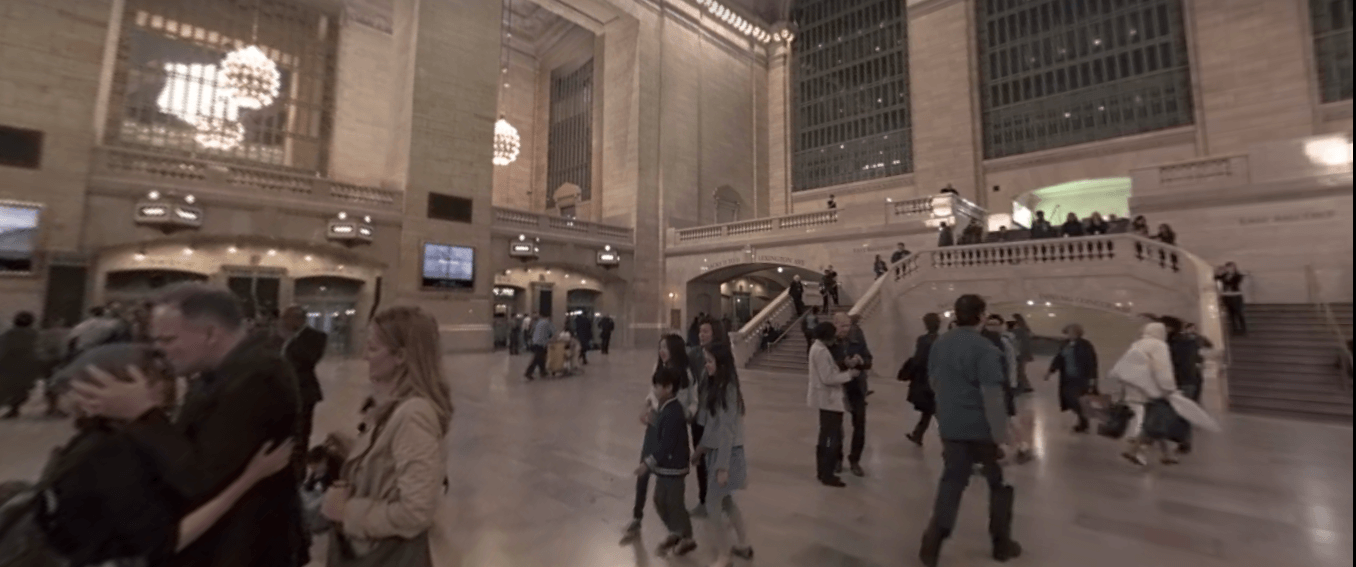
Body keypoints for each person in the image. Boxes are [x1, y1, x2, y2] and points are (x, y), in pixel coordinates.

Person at [70, 283, 309, 567]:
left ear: (210, 333)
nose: (160, 351)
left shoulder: (258, 377)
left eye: (168, 340)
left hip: (242, 548)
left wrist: (144, 413)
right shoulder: (216, 372)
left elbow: (200, 479)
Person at [35, 344, 294, 567]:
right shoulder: (109, 452)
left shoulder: (98, 438)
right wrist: (249, 478)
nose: (168, 384)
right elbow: (165, 542)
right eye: (155, 377)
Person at [318, 306, 453, 565]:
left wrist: (346, 511)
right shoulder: (390, 406)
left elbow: (415, 512)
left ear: (401, 356)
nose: (365, 357)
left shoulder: (414, 415)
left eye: (372, 349)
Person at [918, 295, 1021, 567]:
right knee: (999, 484)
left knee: (951, 483)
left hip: (951, 426)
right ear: (982, 316)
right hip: (983, 430)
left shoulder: (941, 344)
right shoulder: (986, 350)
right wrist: (1004, 438)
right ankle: (1002, 544)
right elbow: (993, 397)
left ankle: (931, 544)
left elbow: (933, 381)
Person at [623, 334, 694, 543]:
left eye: (666, 347)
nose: (662, 351)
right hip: (654, 424)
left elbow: (693, 402)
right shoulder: (658, 369)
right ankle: (637, 517)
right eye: (660, 347)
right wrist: (646, 408)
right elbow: (651, 394)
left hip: (672, 425)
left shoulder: (686, 373)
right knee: (643, 472)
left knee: (666, 483)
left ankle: (681, 532)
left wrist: (684, 414)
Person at [693, 342, 752, 566]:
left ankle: (724, 555)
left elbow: (726, 430)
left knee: (712, 504)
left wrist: (722, 466)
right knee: (726, 501)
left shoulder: (727, 388)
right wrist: (700, 451)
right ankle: (743, 544)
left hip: (726, 454)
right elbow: (711, 426)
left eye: (709, 361)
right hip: (717, 453)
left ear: (722, 364)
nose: (706, 365)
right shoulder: (715, 384)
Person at [633, 366, 698, 557]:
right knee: (659, 500)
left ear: (669, 388)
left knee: (675, 504)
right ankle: (676, 531)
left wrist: (647, 464)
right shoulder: (664, 407)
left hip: (674, 467)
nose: (654, 390)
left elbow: (666, 445)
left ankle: (687, 537)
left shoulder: (674, 411)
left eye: (657, 386)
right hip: (664, 467)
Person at [1109, 322, 1180, 468]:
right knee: (1155, 420)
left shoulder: (1138, 344)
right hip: (1155, 390)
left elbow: (1123, 367)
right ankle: (1133, 450)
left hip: (1137, 389)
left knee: (1155, 419)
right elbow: (1163, 369)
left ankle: (1167, 455)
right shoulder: (1159, 346)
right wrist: (1169, 388)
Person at [686, 318, 728, 518]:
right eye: (700, 331)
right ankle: (704, 500)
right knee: (701, 461)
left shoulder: (721, 355)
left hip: (714, 415)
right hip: (698, 415)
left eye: (706, 331)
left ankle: (719, 501)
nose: (702, 335)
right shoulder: (694, 354)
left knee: (714, 460)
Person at [808, 322, 856, 487]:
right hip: (828, 400)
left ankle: (823, 471)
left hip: (827, 399)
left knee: (826, 437)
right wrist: (849, 374)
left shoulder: (819, 348)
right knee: (831, 438)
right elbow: (827, 378)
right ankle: (827, 474)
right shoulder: (820, 351)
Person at [281, 305, 328, 473]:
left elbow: (309, 359)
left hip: (304, 393)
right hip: (283, 393)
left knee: (301, 435)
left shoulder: (317, 337)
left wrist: (291, 340)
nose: (283, 322)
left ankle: (298, 471)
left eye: (287, 318)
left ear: (299, 319)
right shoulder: (280, 337)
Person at [981, 315, 1033, 464]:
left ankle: (1022, 447)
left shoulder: (1004, 341)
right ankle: (1009, 447)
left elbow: (1011, 363)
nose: (992, 327)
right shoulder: (988, 340)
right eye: (989, 324)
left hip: (1004, 387)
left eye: (995, 324)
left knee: (1008, 419)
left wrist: (1011, 385)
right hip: (995, 387)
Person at [832, 313, 873, 477]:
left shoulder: (857, 335)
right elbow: (826, 364)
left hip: (857, 386)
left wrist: (861, 361)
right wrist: (844, 363)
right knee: (836, 427)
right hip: (837, 387)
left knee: (860, 425)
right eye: (841, 326)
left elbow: (869, 359)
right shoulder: (829, 340)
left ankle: (855, 460)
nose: (845, 330)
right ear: (834, 324)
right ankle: (837, 459)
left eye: (847, 326)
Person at [1160, 316, 1202, 455]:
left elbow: (1180, 364)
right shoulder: (1181, 341)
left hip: (1182, 382)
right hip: (1186, 381)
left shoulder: (1179, 343)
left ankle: (1183, 442)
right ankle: (1182, 441)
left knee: (1182, 413)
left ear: (1170, 328)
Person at [1046, 323, 1099, 433]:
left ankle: (1083, 422)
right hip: (1067, 377)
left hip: (1081, 378)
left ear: (1076, 333)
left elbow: (1091, 363)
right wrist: (1050, 371)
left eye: (1069, 332)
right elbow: (1059, 359)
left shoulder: (1085, 345)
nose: (1067, 334)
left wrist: (1092, 379)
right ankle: (1083, 420)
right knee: (1069, 399)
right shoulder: (1065, 344)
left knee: (1077, 400)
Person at [904, 313, 942, 447]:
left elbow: (918, 360)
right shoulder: (942, 339)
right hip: (938, 380)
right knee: (930, 410)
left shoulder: (923, 340)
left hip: (925, 380)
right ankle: (917, 434)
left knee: (934, 411)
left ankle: (950, 440)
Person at [0, 311, 41, 419]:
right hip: (28, 367)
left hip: (9, 367)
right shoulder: (35, 334)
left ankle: (13, 410)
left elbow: (3, 350)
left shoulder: (9, 334)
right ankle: (14, 409)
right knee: (21, 390)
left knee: (5, 389)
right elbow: (38, 350)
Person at [1216, 262, 1247, 336]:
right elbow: (1216, 278)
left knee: (1239, 313)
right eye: (1227, 267)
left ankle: (1243, 330)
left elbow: (1235, 282)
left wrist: (1227, 278)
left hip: (1236, 296)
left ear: (1234, 268)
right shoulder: (1224, 275)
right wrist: (1219, 271)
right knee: (1231, 314)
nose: (1229, 269)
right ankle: (1234, 330)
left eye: (1230, 267)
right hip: (1227, 297)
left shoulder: (1238, 275)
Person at [524, 313, 556, 380]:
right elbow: (554, 333)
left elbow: (531, 331)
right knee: (536, 358)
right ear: (549, 317)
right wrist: (552, 340)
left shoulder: (538, 322)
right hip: (541, 342)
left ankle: (543, 371)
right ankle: (528, 373)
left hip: (535, 341)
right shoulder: (548, 323)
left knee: (541, 357)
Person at [1009, 314, 1035, 394]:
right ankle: (1025, 386)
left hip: (1021, 354)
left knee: (1019, 370)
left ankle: (1026, 386)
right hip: (1025, 354)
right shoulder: (1025, 330)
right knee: (1020, 370)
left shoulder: (1018, 331)